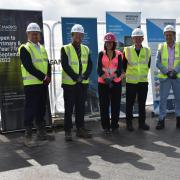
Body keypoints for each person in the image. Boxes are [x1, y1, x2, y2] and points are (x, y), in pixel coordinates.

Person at [18, 22, 54, 147]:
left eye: (37, 33)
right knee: (31, 108)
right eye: (33, 34)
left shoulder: (42, 48)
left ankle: (41, 132)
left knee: (41, 108)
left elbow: (47, 64)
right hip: (32, 84)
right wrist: (44, 77)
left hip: (43, 83)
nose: (35, 36)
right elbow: (29, 67)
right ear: (28, 34)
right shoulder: (24, 48)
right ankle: (27, 136)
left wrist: (48, 76)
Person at [61, 24, 92, 141]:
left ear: (83, 36)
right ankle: (68, 131)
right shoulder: (65, 48)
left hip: (82, 84)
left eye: (80, 35)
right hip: (70, 84)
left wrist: (84, 76)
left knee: (80, 108)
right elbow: (65, 65)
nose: (78, 37)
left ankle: (80, 129)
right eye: (76, 35)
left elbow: (90, 64)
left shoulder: (86, 49)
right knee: (69, 109)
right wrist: (75, 77)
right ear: (72, 35)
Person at [123, 28, 151, 131]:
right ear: (132, 39)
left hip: (143, 81)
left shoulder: (147, 50)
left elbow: (148, 65)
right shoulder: (127, 50)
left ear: (143, 39)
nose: (138, 40)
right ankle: (129, 124)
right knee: (129, 103)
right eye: (136, 38)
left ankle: (142, 123)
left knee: (142, 103)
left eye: (140, 38)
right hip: (131, 82)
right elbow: (123, 66)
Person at [97, 32, 124, 134]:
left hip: (115, 83)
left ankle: (114, 125)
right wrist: (106, 79)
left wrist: (111, 78)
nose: (109, 44)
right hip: (103, 83)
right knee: (104, 105)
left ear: (114, 43)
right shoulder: (101, 53)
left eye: (111, 42)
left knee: (115, 105)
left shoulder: (118, 54)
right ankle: (106, 126)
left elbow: (119, 69)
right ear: (105, 43)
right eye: (107, 42)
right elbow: (99, 70)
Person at [156, 25, 180, 130]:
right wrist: (167, 72)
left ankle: (179, 119)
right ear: (164, 36)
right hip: (165, 77)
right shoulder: (161, 47)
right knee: (163, 100)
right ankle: (161, 120)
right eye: (166, 35)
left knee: (179, 99)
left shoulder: (179, 46)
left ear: (174, 35)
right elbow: (158, 63)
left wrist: (175, 71)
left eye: (170, 35)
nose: (168, 37)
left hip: (176, 77)